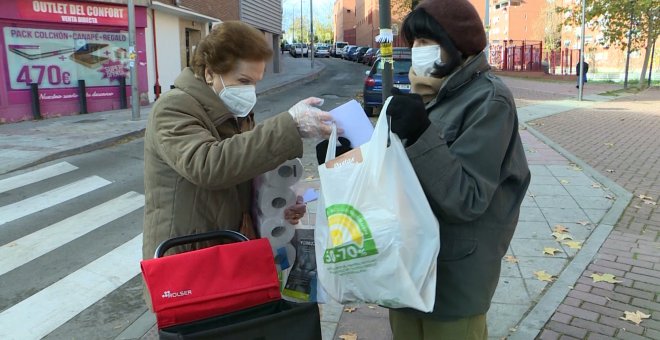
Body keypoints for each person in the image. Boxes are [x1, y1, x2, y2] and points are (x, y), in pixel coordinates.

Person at [142, 21, 333, 306]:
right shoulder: (173, 108)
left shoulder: (234, 111)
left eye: (255, 82)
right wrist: (289, 125)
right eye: (243, 81)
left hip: (230, 255)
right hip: (189, 264)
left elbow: (242, 171)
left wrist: (280, 205)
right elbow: (208, 165)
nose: (250, 92)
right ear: (209, 73)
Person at [383, 1, 531, 339]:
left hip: (454, 278)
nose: (416, 51)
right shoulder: (431, 94)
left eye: (426, 42)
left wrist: (419, 133)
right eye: (414, 42)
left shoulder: (489, 100)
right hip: (409, 266)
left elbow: (467, 198)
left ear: (456, 44)